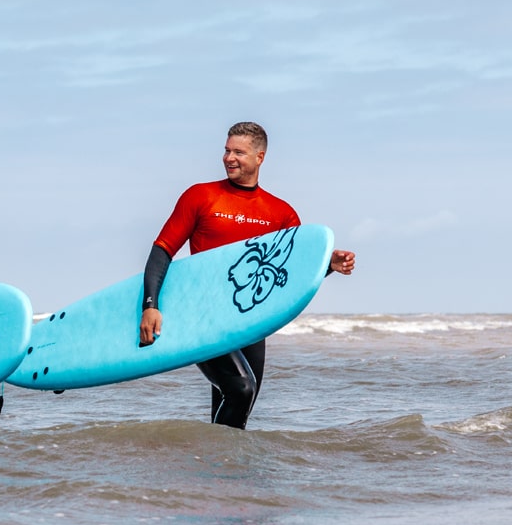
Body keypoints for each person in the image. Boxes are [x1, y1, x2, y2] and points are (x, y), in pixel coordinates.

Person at [137, 122, 356, 429]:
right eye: (227, 150)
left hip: (252, 323)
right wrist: (150, 305)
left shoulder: (281, 214)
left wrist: (328, 264)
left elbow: (291, 274)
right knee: (242, 389)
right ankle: (219, 468)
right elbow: (162, 251)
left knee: (238, 408)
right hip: (205, 316)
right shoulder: (200, 197)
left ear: (260, 157)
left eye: (239, 152)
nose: (229, 158)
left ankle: (219, 473)